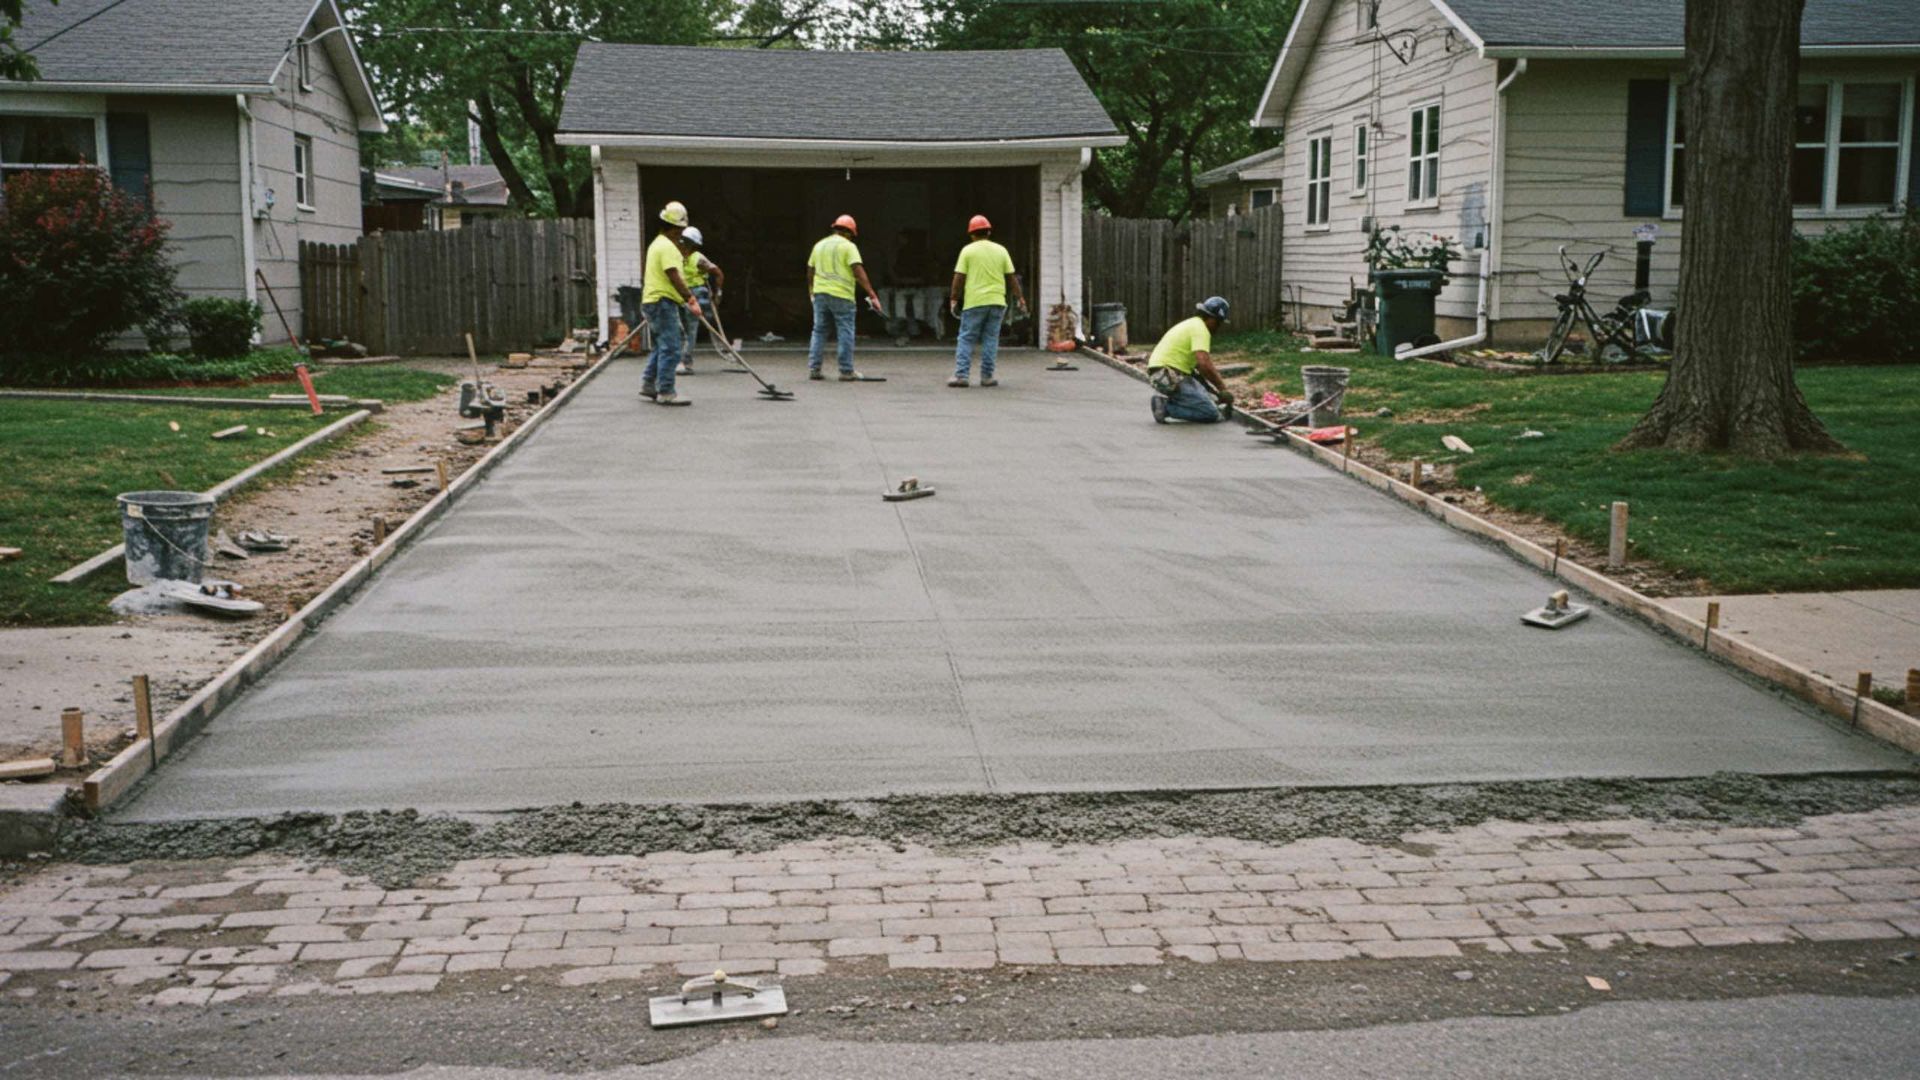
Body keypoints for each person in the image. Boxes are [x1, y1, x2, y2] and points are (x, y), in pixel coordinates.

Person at [947, 214, 1027, 388]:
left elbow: (959, 277)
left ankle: (961, 376)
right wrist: (1020, 298)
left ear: (971, 234)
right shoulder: (1001, 250)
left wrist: (954, 298)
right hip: (997, 301)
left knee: (966, 338)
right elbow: (1011, 278)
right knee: (991, 339)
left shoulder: (967, 251)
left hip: (974, 302)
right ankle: (987, 376)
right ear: (989, 232)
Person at [805, 214, 885, 381]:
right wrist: (872, 294)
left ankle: (814, 369)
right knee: (845, 331)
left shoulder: (819, 245)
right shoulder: (848, 247)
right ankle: (846, 371)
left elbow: (810, 270)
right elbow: (857, 270)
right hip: (842, 295)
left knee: (819, 330)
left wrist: (812, 291)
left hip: (820, 294)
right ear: (849, 233)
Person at [640, 200, 701, 406]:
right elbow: (674, 275)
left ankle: (649, 384)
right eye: (680, 229)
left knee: (660, 346)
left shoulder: (657, 243)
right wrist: (691, 299)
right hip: (662, 302)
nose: (681, 233)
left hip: (653, 300)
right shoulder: (666, 247)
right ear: (674, 228)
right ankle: (666, 391)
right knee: (672, 347)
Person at [1146, 297, 1235, 424]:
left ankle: (1173, 402)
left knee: (1208, 400)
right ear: (1212, 318)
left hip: (1162, 373)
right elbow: (1204, 364)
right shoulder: (1201, 330)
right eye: (1218, 323)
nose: (1218, 327)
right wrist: (1222, 389)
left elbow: (1197, 371)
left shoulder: (1192, 324)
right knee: (1210, 413)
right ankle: (1165, 407)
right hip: (1168, 375)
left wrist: (1214, 394)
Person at [677, 226, 724, 375]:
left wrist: (718, 294)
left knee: (690, 330)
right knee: (680, 330)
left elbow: (718, 274)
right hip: (679, 295)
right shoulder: (675, 256)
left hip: (696, 295)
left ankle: (685, 362)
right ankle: (680, 361)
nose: (684, 245)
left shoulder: (699, 258)